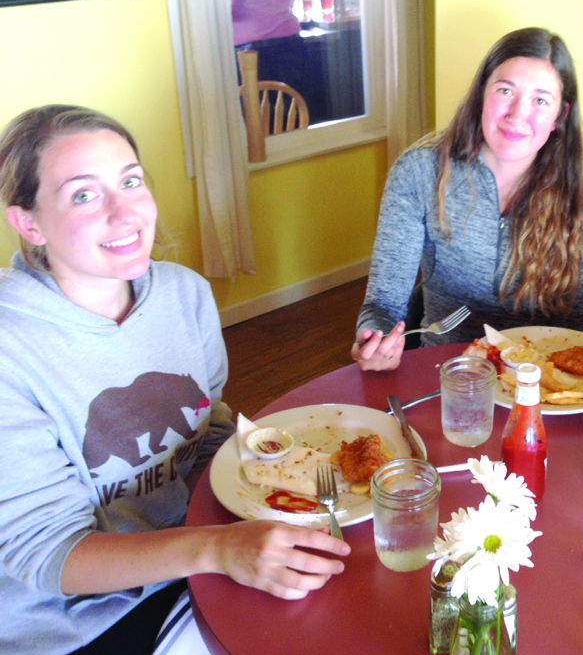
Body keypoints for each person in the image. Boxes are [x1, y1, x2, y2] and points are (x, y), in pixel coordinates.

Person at [0, 105, 349, 655]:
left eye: (131, 181)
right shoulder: (10, 350)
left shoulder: (185, 294)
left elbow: (203, 430)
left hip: (194, 555)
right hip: (80, 623)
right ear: (28, 222)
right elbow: (48, 555)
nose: (126, 213)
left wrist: (290, 470)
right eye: (84, 195)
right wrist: (218, 550)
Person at [353, 27, 583, 371]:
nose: (517, 114)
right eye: (505, 90)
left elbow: (579, 342)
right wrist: (375, 338)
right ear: (481, 95)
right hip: (444, 375)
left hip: (538, 390)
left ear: (559, 117)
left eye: (540, 100)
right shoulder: (419, 174)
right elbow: (383, 304)